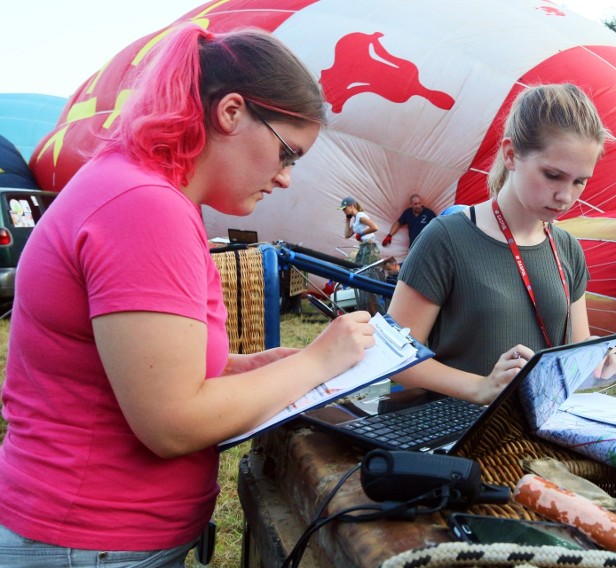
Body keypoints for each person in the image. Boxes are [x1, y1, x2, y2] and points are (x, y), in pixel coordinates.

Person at [0, 24, 376, 567]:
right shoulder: (144, 206)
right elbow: (172, 422)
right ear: (230, 113)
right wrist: (318, 361)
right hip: (91, 536)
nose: (287, 178)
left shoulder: (142, 190)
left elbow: (135, 367)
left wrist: (247, 368)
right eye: (287, 153)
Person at [387, 84, 616, 405]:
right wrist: (479, 387)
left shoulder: (567, 247)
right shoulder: (447, 238)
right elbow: (395, 357)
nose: (565, 196)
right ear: (510, 155)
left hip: (536, 436)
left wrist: (600, 361)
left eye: (579, 181)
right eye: (552, 175)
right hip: (458, 435)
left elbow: (575, 346)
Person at [340, 196, 381, 266]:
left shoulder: (360, 216)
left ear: (351, 206)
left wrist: (361, 234)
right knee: (356, 267)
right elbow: (347, 235)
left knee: (365, 269)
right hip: (364, 246)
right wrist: (348, 220)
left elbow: (375, 227)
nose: (343, 211)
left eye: (344, 209)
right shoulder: (356, 219)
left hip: (370, 246)